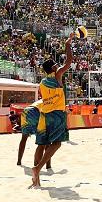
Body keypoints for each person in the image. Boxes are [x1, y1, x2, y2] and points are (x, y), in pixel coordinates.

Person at [31, 33, 74, 187]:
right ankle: (37, 169)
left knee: (41, 144)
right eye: (56, 64)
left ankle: (37, 180)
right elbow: (69, 61)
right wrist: (68, 43)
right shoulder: (57, 75)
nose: (58, 65)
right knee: (56, 144)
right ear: (53, 67)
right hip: (57, 114)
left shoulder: (42, 81)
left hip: (45, 114)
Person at [17, 100, 51, 169]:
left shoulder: (43, 99)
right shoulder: (52, 100)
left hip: (26, 111)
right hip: (35, 111)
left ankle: (19, 161)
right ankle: (43, 166)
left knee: (24, 138)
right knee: (45, 141)